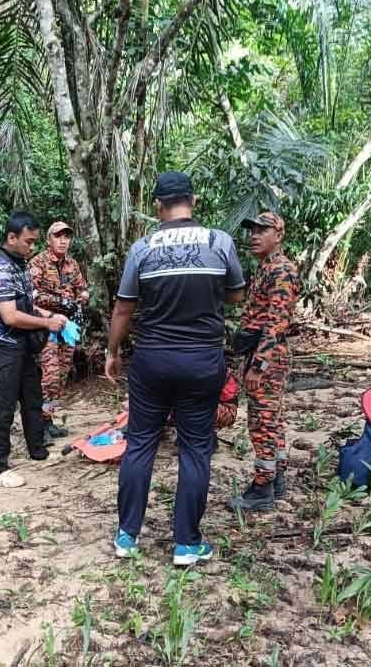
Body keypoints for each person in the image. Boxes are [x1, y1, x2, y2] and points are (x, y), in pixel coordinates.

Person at [105, 171, 246, 566]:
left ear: (158, 207)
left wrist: (112, 351)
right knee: (195, 449)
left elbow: (124, 308)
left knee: (141, 444)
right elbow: (236, 294)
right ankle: (186, 543)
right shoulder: (220, 242)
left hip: (152, 361)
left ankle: (127, 535)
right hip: (202, 361)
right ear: (194, 201)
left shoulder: (142, 248)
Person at [0, 211, 67, 489]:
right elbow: (10, 316)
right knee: (4, 408)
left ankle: (38, 450)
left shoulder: (19, 264)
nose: (32, 247)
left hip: (23, 346)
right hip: (3, 348)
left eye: (34, 242)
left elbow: (26, 305)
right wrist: (47, 323)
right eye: (28, 242)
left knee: (32, 399)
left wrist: (49, 314)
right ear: (11, 238)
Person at [227, 211, 300, 512]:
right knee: (272, 418)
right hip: (259, 352)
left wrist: (259, 366)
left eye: (263, 230)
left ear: (278, 235)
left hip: (266, 357)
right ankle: (276, 477)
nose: (254, 236)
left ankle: (262, 487)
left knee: (262, 421)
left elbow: (276, 323)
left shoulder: (281, 270)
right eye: (252, 230)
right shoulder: (265, 268)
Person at [28, 221, 90, 439]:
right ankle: (38, 425)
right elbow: (31, 295)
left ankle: (48, 420)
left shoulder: (72, 264)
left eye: (66, 236)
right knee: (49, 376)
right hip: (47, 326)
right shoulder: (38, 262)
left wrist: (80, 301)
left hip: (67, 327)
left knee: (61, 375)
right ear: (49, 239)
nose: (63, 240)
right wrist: (61, 302)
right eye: (58, 236)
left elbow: (82, 288)